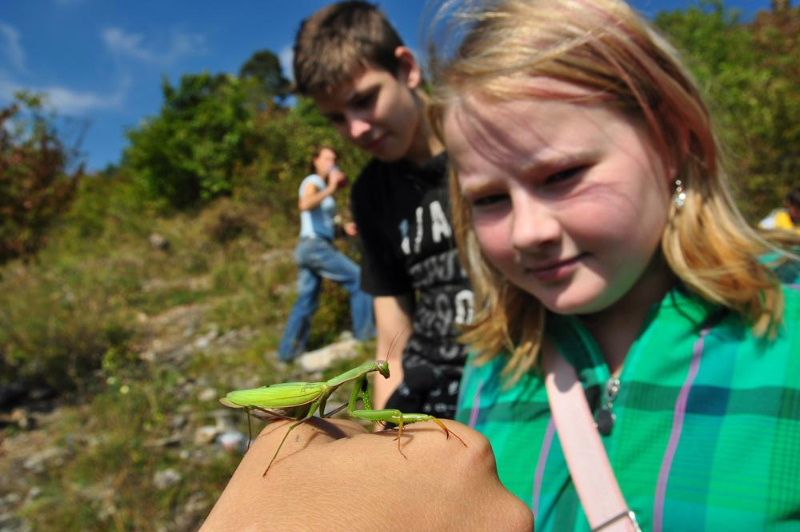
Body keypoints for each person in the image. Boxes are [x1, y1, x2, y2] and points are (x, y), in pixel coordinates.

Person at [202, 0, 800, 530]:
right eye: (488, 199)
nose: (529, 231)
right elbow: (391, 317)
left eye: (561, 175)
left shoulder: (783, 341)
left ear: (674, 140)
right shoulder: (492, 373)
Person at [291, 1, 474, 417]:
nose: (354, 128)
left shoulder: (488, 140)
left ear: (407, 69)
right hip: (428, 393)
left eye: (365, 100)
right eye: (336, 118)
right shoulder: (370, 194)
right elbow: (391, 338)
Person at [277, 145, 374, 361]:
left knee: (307, 300)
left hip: (310, 245)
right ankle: (366, 337)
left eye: (335, 160)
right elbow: (305, 205)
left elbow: (320, 222)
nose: (333, 164)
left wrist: (342, 230)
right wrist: (331, 188)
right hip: (315, 247)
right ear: (315, 160)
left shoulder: (321, 186)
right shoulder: (313, 181)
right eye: (328, 159)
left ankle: (288, 352)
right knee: (359, 280)